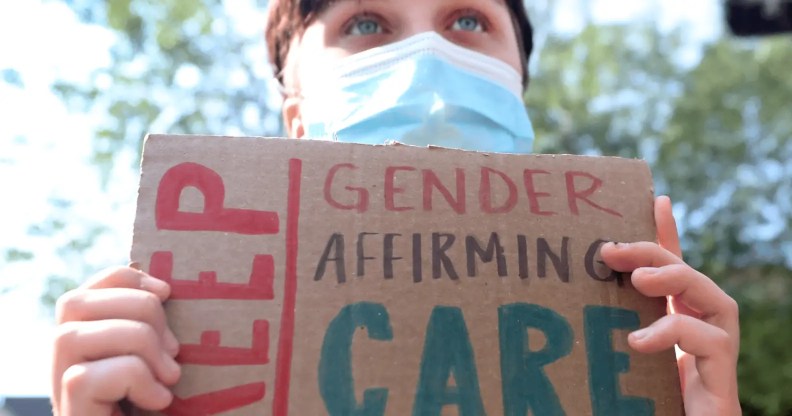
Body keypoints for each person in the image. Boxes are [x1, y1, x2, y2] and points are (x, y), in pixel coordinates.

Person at [50, 0, 742, 415]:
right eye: (367, 22)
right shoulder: (178, 332)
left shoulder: (636, 341)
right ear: (297, 117)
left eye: (468, 18)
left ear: (518, 88)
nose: (426, 54)